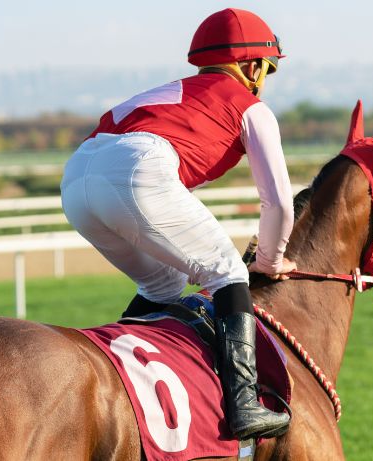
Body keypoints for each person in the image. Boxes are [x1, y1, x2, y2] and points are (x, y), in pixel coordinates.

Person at [60, 8, 296, 440]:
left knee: (162, 287)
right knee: (229, 272)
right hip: (135, 170)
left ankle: (118, 381)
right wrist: (270, 259)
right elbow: (278, 203)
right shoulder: (251, 107)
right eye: (268, 68)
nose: (266, 78)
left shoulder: (168, 92)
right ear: (252, 65)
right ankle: (245, 404)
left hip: (76, 179)